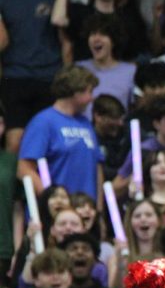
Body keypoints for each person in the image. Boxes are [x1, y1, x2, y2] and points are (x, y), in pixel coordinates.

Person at [0, 0, 65, 154]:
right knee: (14, 144)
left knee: (48, 144)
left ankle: (50, 189)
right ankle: (13, 188)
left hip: (49, 76)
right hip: (15, 76)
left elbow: (66, 39)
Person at [18, 65, 103, 200]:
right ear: (76, 91)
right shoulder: (43, 122)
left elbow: (97, 169)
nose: (92, 98)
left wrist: (98, 211)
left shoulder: (86, 123)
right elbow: (24, 168)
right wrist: (52, 200)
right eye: (89, 91)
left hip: (85, 211)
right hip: (55, 214)